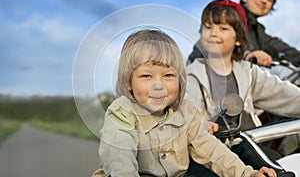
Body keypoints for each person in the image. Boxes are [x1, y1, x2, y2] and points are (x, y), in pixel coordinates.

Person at [92, 29, 276, 177]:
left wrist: (246, 173)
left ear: (180, 81)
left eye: (168, 76)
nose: (158, 85)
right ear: (128, 82)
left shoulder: (186, 111)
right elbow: (119, 158)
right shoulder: (122, 112)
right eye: (146, 76)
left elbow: (212, 150)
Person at [185, 0, 300, 171]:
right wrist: (199, 124)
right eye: (208, 27)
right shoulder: (192, 74)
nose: (213, 33)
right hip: (213, 153)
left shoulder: (249, 72)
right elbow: (189, 108)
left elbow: (285, 95)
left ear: (238, 39)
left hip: (249, 145)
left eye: (223, 28)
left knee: (282, 166)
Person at [188, 0, 300, 68]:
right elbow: (213, 42)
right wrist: (247, 54)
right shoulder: (229, 16)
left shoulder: (258, 31)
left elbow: (278, 46)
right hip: (202, 75)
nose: (264, 1)